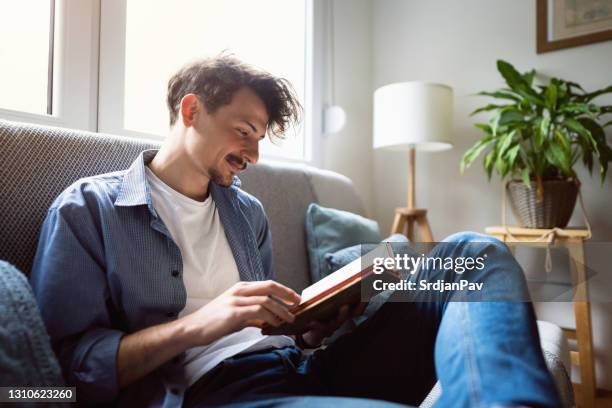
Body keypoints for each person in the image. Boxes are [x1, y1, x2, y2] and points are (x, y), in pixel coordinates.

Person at [30, 56, 561, 407]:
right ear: (191, 110)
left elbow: (268, 330)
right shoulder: (89, 209)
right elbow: (65, 375)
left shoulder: (246, 212)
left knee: (473, 252)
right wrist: (203, 324)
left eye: (260, 139)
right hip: (216, 393)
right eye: (244, 132)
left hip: (303, 364)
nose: (253, 155)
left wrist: (312, 325)